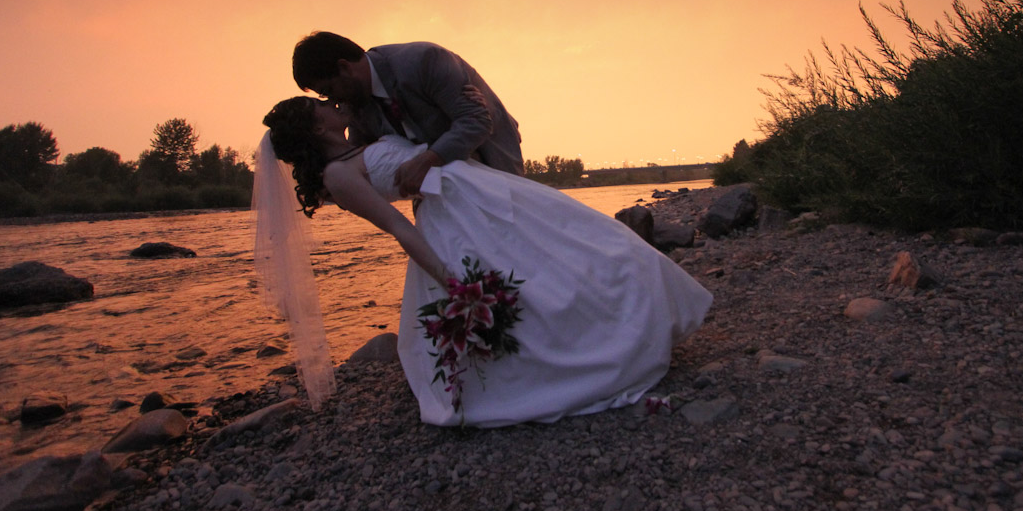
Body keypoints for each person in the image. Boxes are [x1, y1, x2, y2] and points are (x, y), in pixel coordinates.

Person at [254, 96, 712, 427]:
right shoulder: (339, 175)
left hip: (484, 190)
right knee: (533, 286)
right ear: (316, 129)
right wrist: (446, 279)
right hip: (454, 221)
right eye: (322, 108)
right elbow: (397, 228)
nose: (333, 105)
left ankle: (641, 325)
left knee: (593, 243)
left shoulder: (360, 138)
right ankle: (588, 359)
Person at [292, 32, 523, 198]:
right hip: (443, 197)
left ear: (344, 68)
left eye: (329, 91)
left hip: (497, 173)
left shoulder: (423, 60)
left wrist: (427, 160)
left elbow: (476, 120)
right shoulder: (356, 104)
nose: (333, 101)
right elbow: (358, 158)